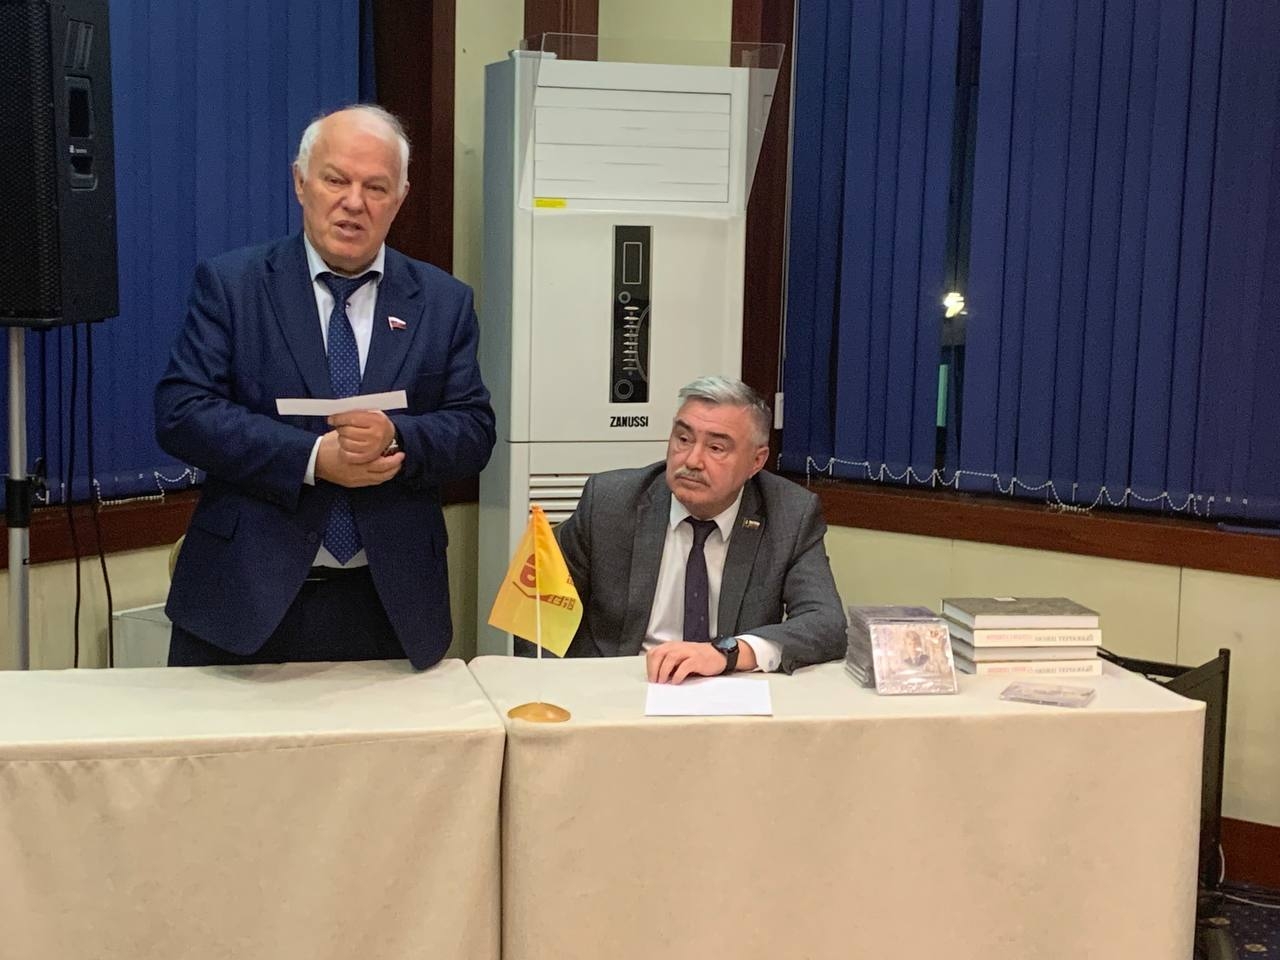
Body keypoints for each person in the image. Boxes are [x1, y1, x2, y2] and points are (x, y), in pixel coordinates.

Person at [155, 105, 495, 669]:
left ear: (400, 198)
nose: (354, 202)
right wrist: (312, 458)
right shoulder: (234, 285)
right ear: (300, 182)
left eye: (376, 187)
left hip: (391, 605)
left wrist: (396, 437)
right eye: (337, 180)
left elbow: (474, 429)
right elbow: (182, 413)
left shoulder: (443, 301)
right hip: (243, 599)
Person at [555, 376, 846, 683]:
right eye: (683, 439)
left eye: (716, 448)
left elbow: (826, 622)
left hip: (729, 686)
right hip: (623, 683)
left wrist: (728, 653)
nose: (692, 460)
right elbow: (539, 608)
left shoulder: (789, 513)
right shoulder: (610, 502)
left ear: (756, 461)